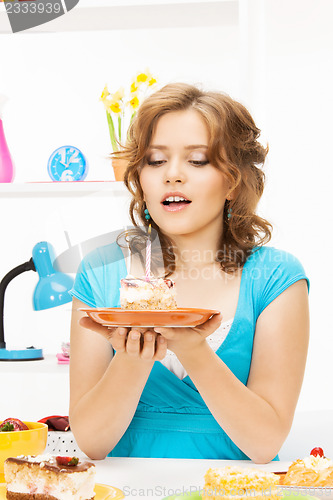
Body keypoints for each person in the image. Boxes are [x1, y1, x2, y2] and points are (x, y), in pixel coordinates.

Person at [69, 83, 309, 463]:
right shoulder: (99, 273)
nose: (173, 175)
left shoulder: (276, 277)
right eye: (155, 160)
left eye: (197, 160)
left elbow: (264, 445)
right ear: (140, 179)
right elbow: (92, 443)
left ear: (232, 181)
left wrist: (192, 347)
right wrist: (134, 356)